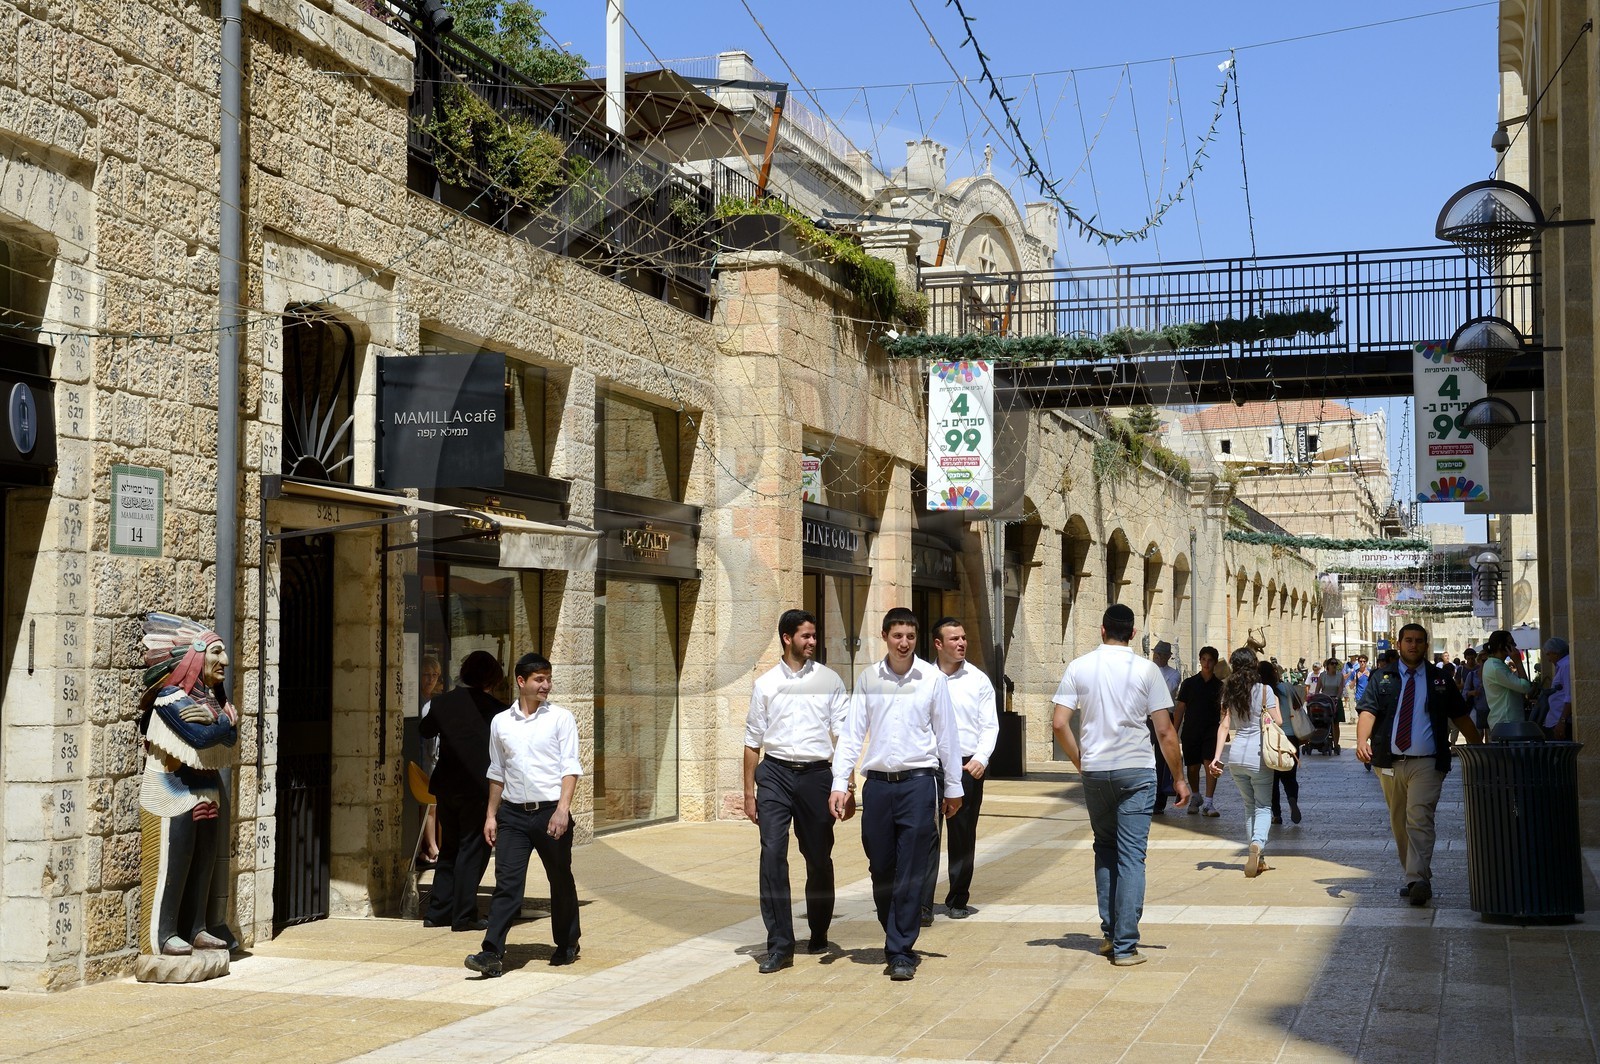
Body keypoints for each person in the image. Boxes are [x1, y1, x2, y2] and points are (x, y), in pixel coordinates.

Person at [829, 608, 963, 982]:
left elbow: (948, 737)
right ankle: (894, 927)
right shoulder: (870, 678)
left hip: (920, 784)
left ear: (916, 638)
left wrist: (953, 787)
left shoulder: (933, 679)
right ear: (885, 636)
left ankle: (900, 948)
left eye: (910, 636)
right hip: (879, 788)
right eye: (897, 635)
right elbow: (853, 734)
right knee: (881, 866)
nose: (904, 643)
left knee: (911, 869)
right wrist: (841, 782)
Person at [1052, 604, 1189, 966]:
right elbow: (1164, 730)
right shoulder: (1147, 670)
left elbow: (1059, 723)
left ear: (1101, 630)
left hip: (1096, 771)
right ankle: (1126, 945)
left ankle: (1111, 933)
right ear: (1132, 634)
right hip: (1136, 772)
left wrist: (1079, 760)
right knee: (1132, 856)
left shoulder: (1079, 667)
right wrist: (1178, 778)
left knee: (1105, 848)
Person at [744, 608, 851, 974]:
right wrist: (748, 793)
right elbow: (752, 742)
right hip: (773, 773)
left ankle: (819, 927)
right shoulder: (766, 684)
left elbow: (845, 736)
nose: (812, 642)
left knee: (818, 856)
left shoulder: (830, 680)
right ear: (787, 638)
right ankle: (780, 944)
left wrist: (846, 784)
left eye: (814, 635)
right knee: (772, 853)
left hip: (817, 775)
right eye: (806, 636)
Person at [464, 653, 582, 976]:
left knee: (559, 879)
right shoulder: (500, 723)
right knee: (507, 883)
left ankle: (568, 941)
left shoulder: (561, 718)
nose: (546, 685)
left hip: (550, 813)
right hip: (513, 816)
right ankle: (492, 952)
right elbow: (496, 772)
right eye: (539, 679)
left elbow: (570, 768)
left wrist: (562, 810)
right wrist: (491, 815)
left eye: (548, 678)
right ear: (521, 682)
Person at [135, 612, 239, 963]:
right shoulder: (169, 699)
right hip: (171, 795)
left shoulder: (210, 703)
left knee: (204, 861)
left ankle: (196, 926)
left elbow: (229, 736)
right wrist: (219, 725)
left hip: (203, 792)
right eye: (216, 653)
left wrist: (218, 722)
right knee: (174, 863)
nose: (224, 660)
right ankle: (162, 934)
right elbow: (197, 738)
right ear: (195, 657)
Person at [1356, 623, 1483, 906]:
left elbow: (1461, 716)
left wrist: (1479, 749)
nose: (1413, 645)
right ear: (1399, 644)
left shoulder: (1440, 679)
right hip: (1388, 762)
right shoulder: (1382, 677)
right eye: (1408, 640)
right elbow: (1368, 711)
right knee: (1399, 821)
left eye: (1419, 641)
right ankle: (1412, 875)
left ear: (1426, 646)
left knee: (1419, 817)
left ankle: (1417, 879)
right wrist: (1362, 740)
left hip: (1427, 763)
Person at [918, 617, 999, 925]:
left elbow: (989, 724)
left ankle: (957, 899)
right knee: (925, 833)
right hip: (928, 764)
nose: (962, 643)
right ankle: (923, 903)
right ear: (938, 644)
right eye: (954, 639)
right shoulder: (921, 677)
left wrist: (982, 757)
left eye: (963, 638)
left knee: (962, 835)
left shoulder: (978, 680)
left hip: (966, 765)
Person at [420, 650, 506, 932]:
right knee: (472, 850)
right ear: (491, 678)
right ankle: (464, 914)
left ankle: (437, 912)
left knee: (450, 849)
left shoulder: (443, 702)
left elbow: (425, 730)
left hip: (446, 786)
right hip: (478, 788)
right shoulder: (496, 710)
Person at [1208, 648, 1283, 878]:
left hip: (1237, 757)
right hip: (1259, 756)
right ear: (1254, 665)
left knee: (1249, 807)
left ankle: (1257, 859)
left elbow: (1223, 726)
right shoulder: (1264, 691)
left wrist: (1217, 757)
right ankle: (1257, 845)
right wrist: (1275, 703)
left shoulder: (1229, 690)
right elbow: (1277, 721)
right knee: (1263, 806)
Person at [1174, 646, 1224, 816]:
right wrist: (1174, 730)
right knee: (1193, 766)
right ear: (1200, 660)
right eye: (1204, 659)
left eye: (1210, 660)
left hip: (1211, 730)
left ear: (1215, 662)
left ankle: (1209, 802)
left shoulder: (1220, 686)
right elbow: (1180, 708)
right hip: (1191, 730)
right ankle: (1196, 796)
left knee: (1210, 764)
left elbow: (1225, 711)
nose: (1206, 663)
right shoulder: (1189, 683)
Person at [1267, 661, 1303, 825]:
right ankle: (1292, 799)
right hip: (1291, 738)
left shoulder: (1263, 692)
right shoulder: (1287, 687)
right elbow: (1299, 705)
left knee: (1272, 780)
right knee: (1290, 777)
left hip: (1273, 739)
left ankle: (1276, 814)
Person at [1148, 641, 1182, 815]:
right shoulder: (1147, 670)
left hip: (1164, 715)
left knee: (1162, 760)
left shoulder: (1174, 674)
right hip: (1147, 717)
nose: (1158, 657)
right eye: (1156, 654)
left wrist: (1157, 672)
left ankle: (1159, 801)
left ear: (1168, 656)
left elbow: (1166, 690)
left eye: (1161, 655)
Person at [418, 654, 445, 865]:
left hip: (434, 759)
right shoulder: (418, 703)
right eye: (427, 675)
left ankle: (434, 844)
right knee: (429, 805)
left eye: (435, 675)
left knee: (435, 804)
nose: (431, 679)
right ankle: (430, 846)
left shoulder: (433, 702)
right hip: (423, 759)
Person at [1481, 630, 1534, 731]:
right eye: (1511, 642)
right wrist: (1518, 662)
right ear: (1502, 645)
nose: (1515, 645)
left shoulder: (1496, 664)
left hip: (1506, 721)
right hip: (1506, 722)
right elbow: (1525, 687)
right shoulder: (1496, 667)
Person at [1541, 637, 1572, 740]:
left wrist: (1562, 722)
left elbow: (1569, 696)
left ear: (1555, 653)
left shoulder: (1566, 666)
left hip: (1560, 720)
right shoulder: (1562, 665)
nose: (1549, 659)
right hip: (1555, 719)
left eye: (1549, 654)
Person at [1314, 658, 1344, 753]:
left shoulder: (1340, 676)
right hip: (1324, 700)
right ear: (1328, 666)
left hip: (1335, 700)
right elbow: (1317, 689)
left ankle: (1336, 743)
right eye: (1332, 663)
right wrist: (1316, 698)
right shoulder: (1323, 676)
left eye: (1336, 663)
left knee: (1335, 723)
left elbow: (1340, 689)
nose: (1334, 665)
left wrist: (1337, 698)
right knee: (1322, 721)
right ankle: (1320, 738)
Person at [1459, 647, 1489, 735]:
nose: (1485, 663)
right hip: (1476, 708)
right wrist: (1472, 693)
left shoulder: (1493, 674)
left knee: (1492, 739)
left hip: (1492, 709)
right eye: (1483, 661)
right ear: (1479, 661)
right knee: (1476, 737)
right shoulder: (1471, 675)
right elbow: (1464, 693)